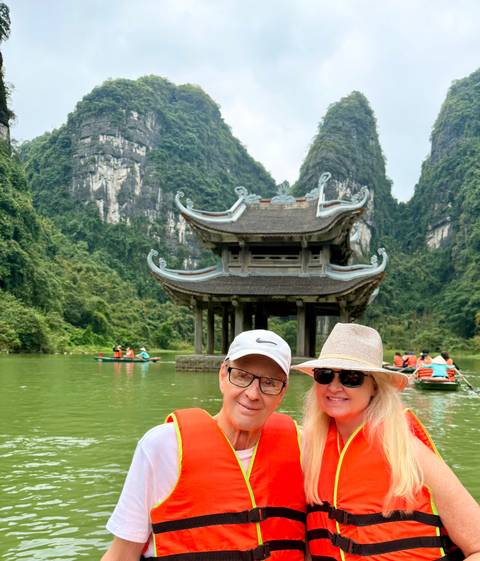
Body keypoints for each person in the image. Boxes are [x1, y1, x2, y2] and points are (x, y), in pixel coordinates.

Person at [101, 329, 306, 561]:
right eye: (241, 376)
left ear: (282, 392)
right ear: (222, 375)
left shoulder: (303, 449)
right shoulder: (162, 447)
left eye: (269, 383)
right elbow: (121, 555)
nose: (252, 394)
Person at [294, 322, 480, 560]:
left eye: (351, 377)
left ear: (374, 386)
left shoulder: (408, 449)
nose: (334, 386)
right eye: (325, 375)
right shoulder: (309, 448)